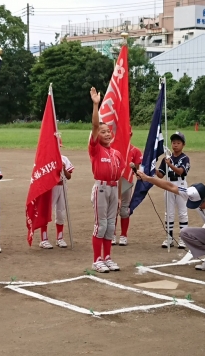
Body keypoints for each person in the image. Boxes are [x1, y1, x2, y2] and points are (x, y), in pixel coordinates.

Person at [89, 87, 124, 273]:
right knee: (101, 224)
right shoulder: (96, 149)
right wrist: (96, 105)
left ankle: (108, 257)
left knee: (111, 225)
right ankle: (97, 260)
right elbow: (95, 126)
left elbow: (118, 178)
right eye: (103, 132)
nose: (107, 134)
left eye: (108, 131)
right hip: (101, 189)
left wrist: (119, 197)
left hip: (112, 190)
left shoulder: (116, 154)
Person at [156, 131, 190, 249]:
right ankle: (169, 238)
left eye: (178, 143)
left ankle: (183, 239)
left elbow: (180, 171)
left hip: (180, 186)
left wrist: (169, 165)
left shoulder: (185, 158)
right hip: (168, 185)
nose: (175, 145)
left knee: (182, 213)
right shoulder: (167, 159)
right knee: (169, 213)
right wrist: (152, 169)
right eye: (173, 142)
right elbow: (161, 175)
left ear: (183, 145)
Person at [39, 141, 74, 249]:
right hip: (50, 188)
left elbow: (68, 177)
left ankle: (60, 238)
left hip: (62, 187)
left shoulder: (64, 159)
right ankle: (44, 239)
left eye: (59, 147)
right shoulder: (46, 159)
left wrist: (63, 168)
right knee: (46, 212)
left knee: (61, 212)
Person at [116, 134, 142, 246]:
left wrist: (134, 168)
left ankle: (123, 235)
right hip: (114, 182)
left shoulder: (135, 151)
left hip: (126, 181)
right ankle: (111, 234)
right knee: (112, 209)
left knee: (124, 209)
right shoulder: (113, 149)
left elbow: (136, 171)